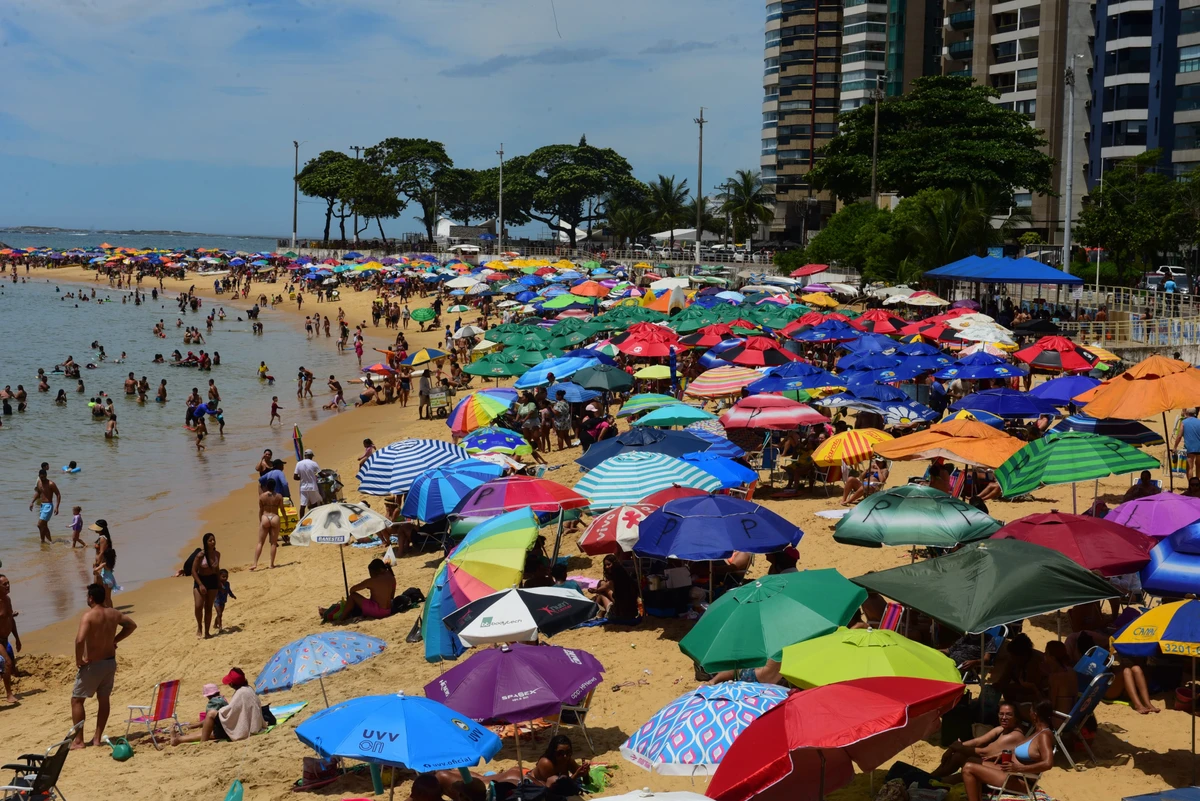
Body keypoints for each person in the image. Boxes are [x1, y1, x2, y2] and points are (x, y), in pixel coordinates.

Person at [72, 583, 137, 749]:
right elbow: (131, 625)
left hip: (93, 664)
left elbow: (79, 640)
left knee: (77, 700)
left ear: (91, 598)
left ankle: (79, 740)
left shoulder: (89, 616)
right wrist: (114, 640)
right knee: (104, 699)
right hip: (109, 663)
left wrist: (79, 660)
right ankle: (97, 738)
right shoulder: (113, 613)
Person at [962, 701, 1057, 801]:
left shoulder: (1044, 735)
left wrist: (1018, 768)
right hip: (1013, 774)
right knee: (972, 760)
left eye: (1029, 711)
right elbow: (1030, 752)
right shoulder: (1037, 732)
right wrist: (1002, 754)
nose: (1028, 713)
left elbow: (1048, 763)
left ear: (1034, 714)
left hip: (1021, 779)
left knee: (968, 769)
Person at [930, 702, 1026, 779]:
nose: (1004, 718)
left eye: (1008, 715)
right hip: (993, 766)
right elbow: (978, 741)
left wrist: (958, 747)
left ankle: (937, 780)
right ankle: (933, 777)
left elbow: (984, 753)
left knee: (968, 761)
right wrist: (952, 748)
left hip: (1004, 773)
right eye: (1001, 714)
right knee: (960, 756)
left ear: (1016, 718)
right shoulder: (1001, 729)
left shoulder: (1014, 736)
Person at [170, 668, 263, 745]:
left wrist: (219, 714)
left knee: (211, 715)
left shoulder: (241, 693)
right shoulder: (248, 688)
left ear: (232, 684)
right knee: (211, 730)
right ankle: (180, 739)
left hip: (244, 728)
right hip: (252, 724)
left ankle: (200, 743)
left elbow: (232, 712)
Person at [320, 558, 396, 622]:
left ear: (376, 571)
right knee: (361, 602)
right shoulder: (391, 577)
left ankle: (341, 619)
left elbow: (352, 590)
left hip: (377, 612)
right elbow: (391, 597)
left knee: (353, 596)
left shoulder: (372, 581)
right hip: (387, 611)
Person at [589, 555, 639, 621]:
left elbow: (606, 586)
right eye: (605, 565)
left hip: (621, 614)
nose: (607, 567)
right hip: (632, 612)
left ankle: (594, 615)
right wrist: (596, 590)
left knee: (601, 596)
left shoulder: (614, 581)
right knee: (602, 587)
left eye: (609, 564)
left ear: (614, 563)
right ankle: (598, 614)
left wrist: (596, 590)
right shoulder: (625, 575)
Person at [253, 476, 283, 571]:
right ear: (275, 486)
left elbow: (261, 510)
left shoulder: (262, 497)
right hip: (274, 517)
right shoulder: (278, 496)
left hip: (265, 517)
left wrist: (260, 521)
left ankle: (255, 563)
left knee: (260, 543)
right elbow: (282, 509)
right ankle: (271, 564)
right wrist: (286, 519)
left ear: (266, 486)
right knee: (273, 543)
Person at [0, 574, 20, 704]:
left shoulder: (7, 600)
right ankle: (9, 695)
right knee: (7, 662)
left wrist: (17, 638)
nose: (8, 586)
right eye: (4, 584)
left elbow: (11, 620)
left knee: (9, 665)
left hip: (5, 638)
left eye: (8, 583)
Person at [29, 468, 61, 543]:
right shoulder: (39, 483)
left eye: (43, 477)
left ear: (46, 475)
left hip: (48, 506)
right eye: (41, 477)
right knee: (44, 525)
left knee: (39, 525)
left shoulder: (51, 484)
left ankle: (42, 540)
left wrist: (57, 507)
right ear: (39, 476)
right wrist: (32, 502)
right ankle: (50, 541)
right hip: (42, 505)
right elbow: (38, 493)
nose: (42, 478)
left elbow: (58, 494)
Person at [293, 449, 322, 517]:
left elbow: (295, 477)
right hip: (312, 487)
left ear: (305, 456)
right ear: (311, 456)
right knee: (314, 504)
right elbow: (321, 474)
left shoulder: (298, 464)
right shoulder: (314, 463)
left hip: (303, 488)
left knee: (302, 505)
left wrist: (303, 478)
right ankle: (314, 518)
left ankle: (301, 521)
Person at [1177, 408, 1200, 480]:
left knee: (1190, 467)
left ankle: (1191, 485)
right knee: (1198, 465)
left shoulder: (1184, 422)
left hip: (1190, 448)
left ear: (1186, 413)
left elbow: (1179, 436)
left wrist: (1175, 447)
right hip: (1199, 447)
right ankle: (1197, 484)